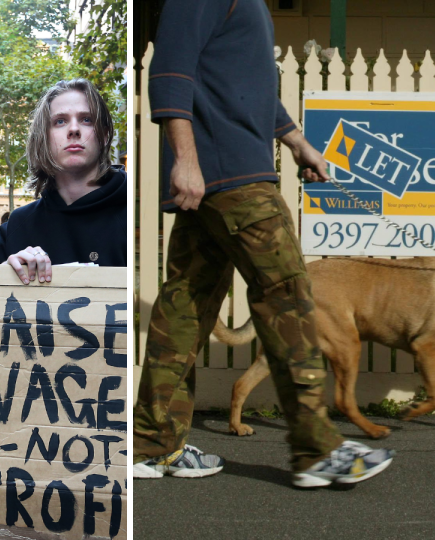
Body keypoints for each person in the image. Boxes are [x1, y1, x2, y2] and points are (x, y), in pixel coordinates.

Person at [132, 1, 394, 488]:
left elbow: (248, 86)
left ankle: (152, 445)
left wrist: (296, 142)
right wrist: (184, 160)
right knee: (288, 297)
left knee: (185, 310)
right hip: (232, 178)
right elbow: (169, 72)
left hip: (223, 176)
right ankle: (316, 449)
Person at [0, 78, 127, 279]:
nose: (74, 130)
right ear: (43, 138)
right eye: (60, 121)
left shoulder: (134, 213)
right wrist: (4, 273)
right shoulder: (17, 227)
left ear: (105, 135)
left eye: (86, 119)